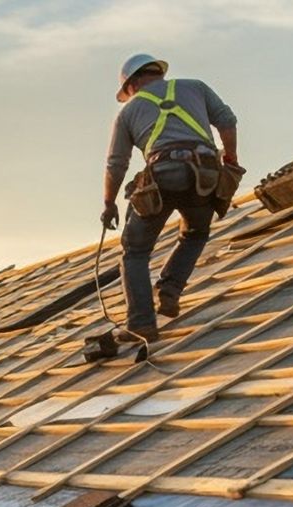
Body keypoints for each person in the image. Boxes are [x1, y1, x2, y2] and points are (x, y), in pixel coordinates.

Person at [101, 53, 239, 343]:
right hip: (204, 174)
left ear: (132, 85)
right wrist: (230, 158)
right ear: (157, 74)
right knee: (196, 231)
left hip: (163, 175)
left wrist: (109, 203)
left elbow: (116, 164)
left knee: (135, 251)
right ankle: (170, 289)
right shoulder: (195, 87)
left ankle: (141, 324)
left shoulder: (128, 113)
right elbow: (226, 121)